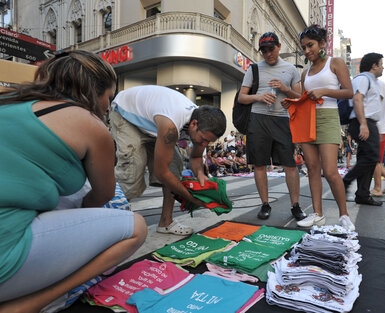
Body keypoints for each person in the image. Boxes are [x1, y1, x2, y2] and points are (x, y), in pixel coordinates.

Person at [0, 50, 148, 312]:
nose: (108, 107)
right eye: (109, 98)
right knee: (135, 227)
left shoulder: (9, 102)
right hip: (5, 257)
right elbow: (102, 196)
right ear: (94, 91)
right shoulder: (90, 124)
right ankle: (31, 304)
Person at [109, 85, 226, 235]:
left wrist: (201, 176)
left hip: (152, 123)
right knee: (132, 169)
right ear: (194, 124)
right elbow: (161, 172)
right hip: (126, 114)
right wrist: (190, 197)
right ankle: (110, 221)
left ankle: (166, 223)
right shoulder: (172, 125)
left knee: (175, 166)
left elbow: (196, 157)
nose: (204, 145)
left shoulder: (202, 124)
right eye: (203, 140)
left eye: (208, 142)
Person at [284, 24, 355, 231]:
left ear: (322, 43)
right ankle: (317, 214)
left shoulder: (336, 63)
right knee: (313, 169)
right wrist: (292, 100)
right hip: (307, 119)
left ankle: (344, 215)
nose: (307, 51)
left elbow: (349, 92)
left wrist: (324, 90)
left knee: (331, 171)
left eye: (310, 45)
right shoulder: (305, 73)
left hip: (328, 117)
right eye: (304, 47)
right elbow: (305, 98)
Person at [238, 32, 305, 221]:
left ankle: (296, 206)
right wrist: (258, 96)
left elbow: (299, 98)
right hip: (257, 119)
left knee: (290, 164)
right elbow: (242, 97)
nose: (268, 54)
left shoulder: (291, 69)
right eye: (264, 50)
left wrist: (285, 91)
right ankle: (265, 204)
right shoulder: (253, 69)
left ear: (279, 46)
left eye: (271, 49)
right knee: (259, 164)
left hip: (282, 120)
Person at [342, 52, 384, 206]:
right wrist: (364, 124)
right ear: (374, 66)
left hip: (367, 122)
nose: (383, 67)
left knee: (367, 158)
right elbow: (357, 99)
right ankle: (346, 181)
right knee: (372, 157)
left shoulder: (370, 80)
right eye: (381, 64)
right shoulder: (363, 79)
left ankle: (362, 194)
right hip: (362, 121)